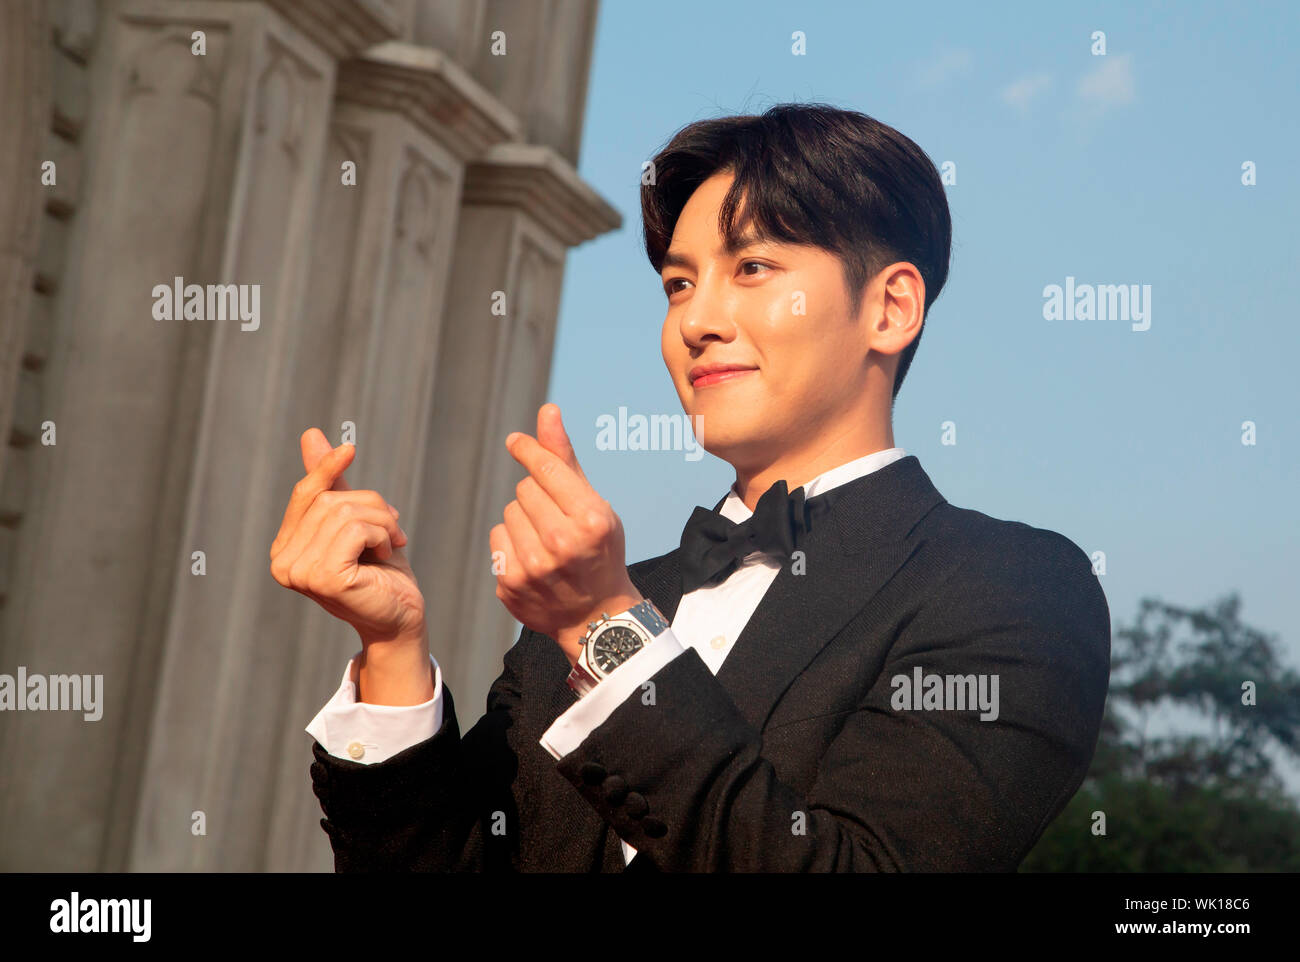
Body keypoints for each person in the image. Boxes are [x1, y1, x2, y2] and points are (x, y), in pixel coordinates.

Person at [270, 103, 1111, 872]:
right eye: (679, 283)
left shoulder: (1010, 588)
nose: (696, 321)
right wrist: (391, 651)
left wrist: (604, 630)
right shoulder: (606, 606)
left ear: (890, 308)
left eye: (751, 267)